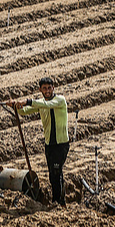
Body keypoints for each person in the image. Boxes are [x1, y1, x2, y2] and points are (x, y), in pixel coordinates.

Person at [7, 77, 69, 206]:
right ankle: (57, 201)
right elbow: (24, 112)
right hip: (49, 144)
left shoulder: (60, 100)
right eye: (44, 88)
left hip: (61, 144)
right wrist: (16, 106)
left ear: (53, 88)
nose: (47, 91)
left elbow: (47, 104)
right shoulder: (40, 104)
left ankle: (59, 202)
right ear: (40, 89)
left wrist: (27, 101)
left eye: (49, 88)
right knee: (52, 174)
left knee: (56, 173)